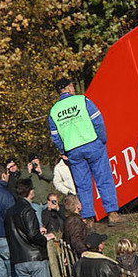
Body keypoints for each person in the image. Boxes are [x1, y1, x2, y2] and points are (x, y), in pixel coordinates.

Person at [49, 78, 122, 225]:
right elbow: (98, 121)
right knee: (104, 179)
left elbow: (55, 136)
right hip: (93, 144)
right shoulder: (82, 100)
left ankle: (88, 218)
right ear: (69, 88)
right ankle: (112, 213)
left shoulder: (54, 111)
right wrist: (102, 139)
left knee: (83, 185)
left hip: (73, 151)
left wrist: (64, 150)